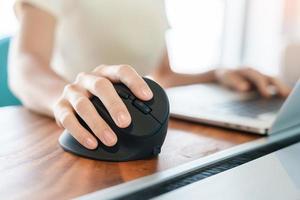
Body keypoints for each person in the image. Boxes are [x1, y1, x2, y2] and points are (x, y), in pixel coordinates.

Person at [10, 0, 291, 150]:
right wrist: (66, 97)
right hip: (71, 127)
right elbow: (25, 65)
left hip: (131, 127)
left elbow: (162, 77)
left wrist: (216, 74)